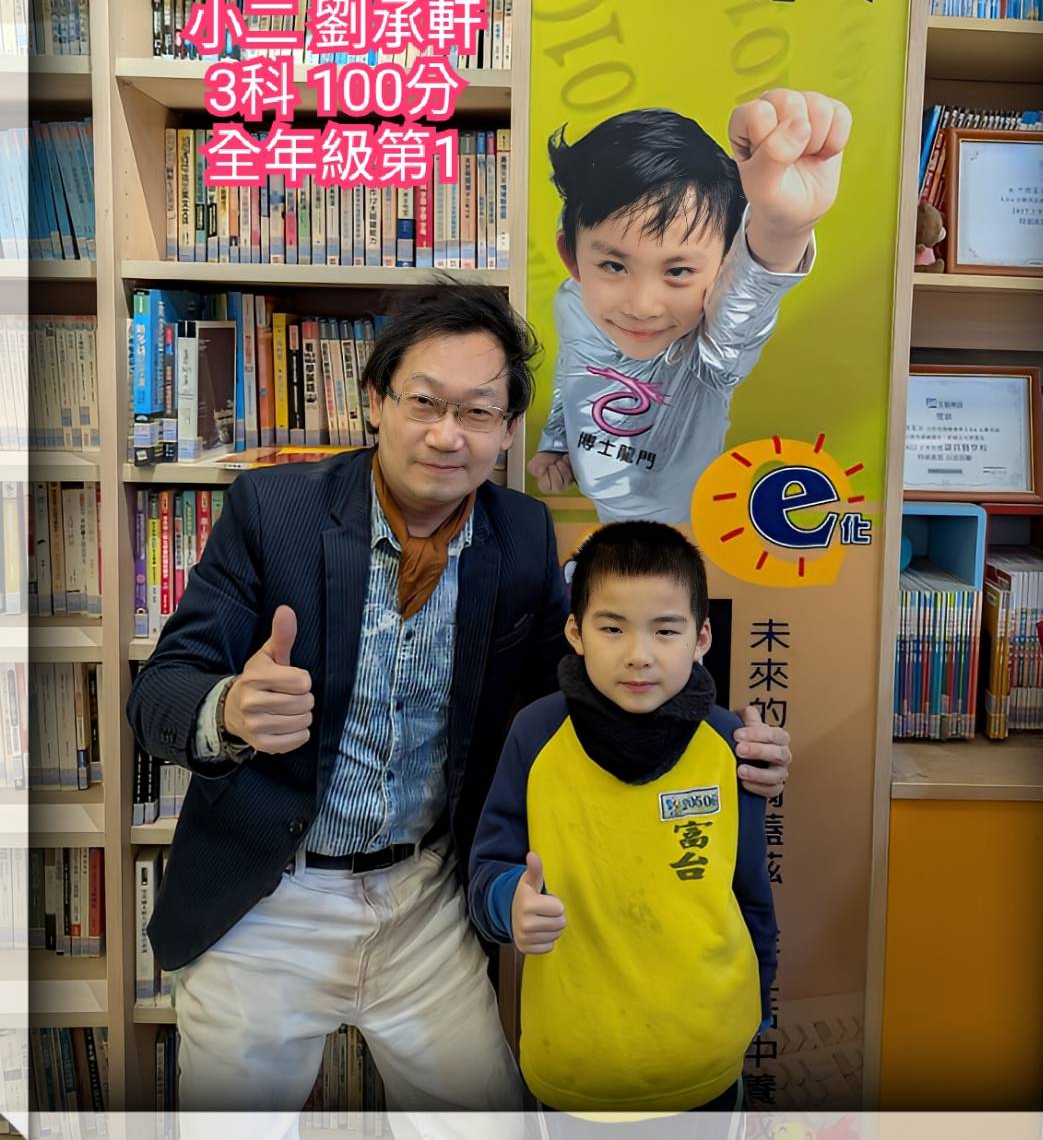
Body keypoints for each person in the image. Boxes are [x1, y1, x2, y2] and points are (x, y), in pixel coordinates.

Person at [125, 285, 792, 1128]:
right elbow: (160, 688)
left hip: (426, 896)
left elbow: (586, 686)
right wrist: (229, 710)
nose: (448, 435)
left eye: (478, 411)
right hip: (271, 897)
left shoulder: (520, 534)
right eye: (425, 403)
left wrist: (723, 737)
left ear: (508, 429)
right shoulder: (274, 510)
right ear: (375, 401)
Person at [468, 521, 776, 1131]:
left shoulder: (729, 741)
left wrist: (759, 1001)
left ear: (701, 637)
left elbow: (751, 892)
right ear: (575, 633)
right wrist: (511, 904)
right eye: (612, 628)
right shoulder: (536, 734)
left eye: (666, 630)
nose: (639, 654)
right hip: (575, 1061)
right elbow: (488, 869)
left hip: (708, 1053)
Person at [528, 88, 852, 524]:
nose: (642, 306)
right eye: (613, 266)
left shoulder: (709, 352)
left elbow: (748, 299)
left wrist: (783, 227)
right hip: (595, 519)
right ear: (572, 259)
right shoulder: (572, 302)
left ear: (722, 269)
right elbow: (573, 368)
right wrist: (556, 443)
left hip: (683, 531)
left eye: (678, 271)